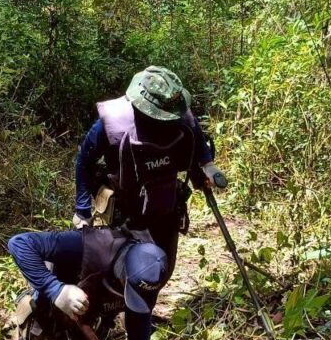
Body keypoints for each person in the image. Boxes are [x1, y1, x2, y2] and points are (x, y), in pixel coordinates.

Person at [72, 66, 223, 278]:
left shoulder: (179, 115)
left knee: (162, 269)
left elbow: (196, 137)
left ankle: (146, 303)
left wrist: (207, 165)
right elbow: (84, 161)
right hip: (125, 212)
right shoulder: (111, 123)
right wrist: (82, 210)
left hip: (167, 205)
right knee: (125, 270)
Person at [1, 226, 169, 340]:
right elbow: (19, 243)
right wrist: (57, 290)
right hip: (50, 321)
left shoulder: (151, 273)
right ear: (122, 273)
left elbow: (140, 323)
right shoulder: (92, 247)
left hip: (89, 324)